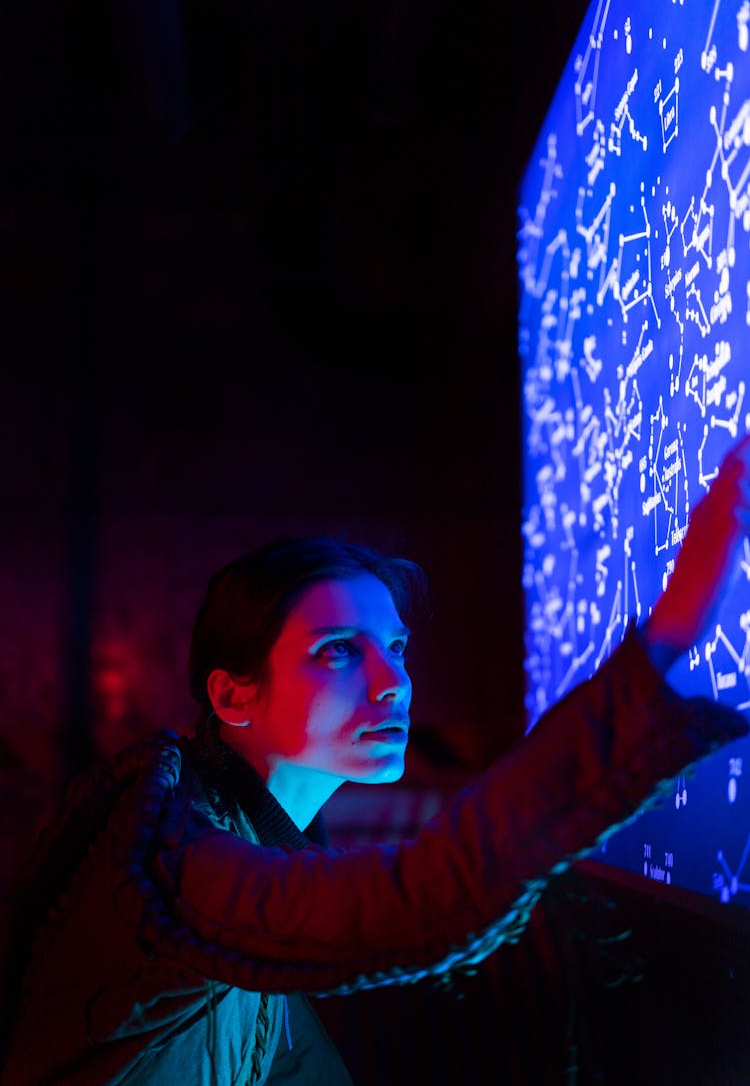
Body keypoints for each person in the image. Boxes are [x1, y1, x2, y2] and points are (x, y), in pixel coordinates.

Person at [1, 433, 750, 1086]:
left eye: (395, 647)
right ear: (233, 696)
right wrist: (671, 628)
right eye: (339, 651)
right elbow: (418, 901)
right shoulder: (176, 855)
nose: (394, 682)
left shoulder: (250, 875)